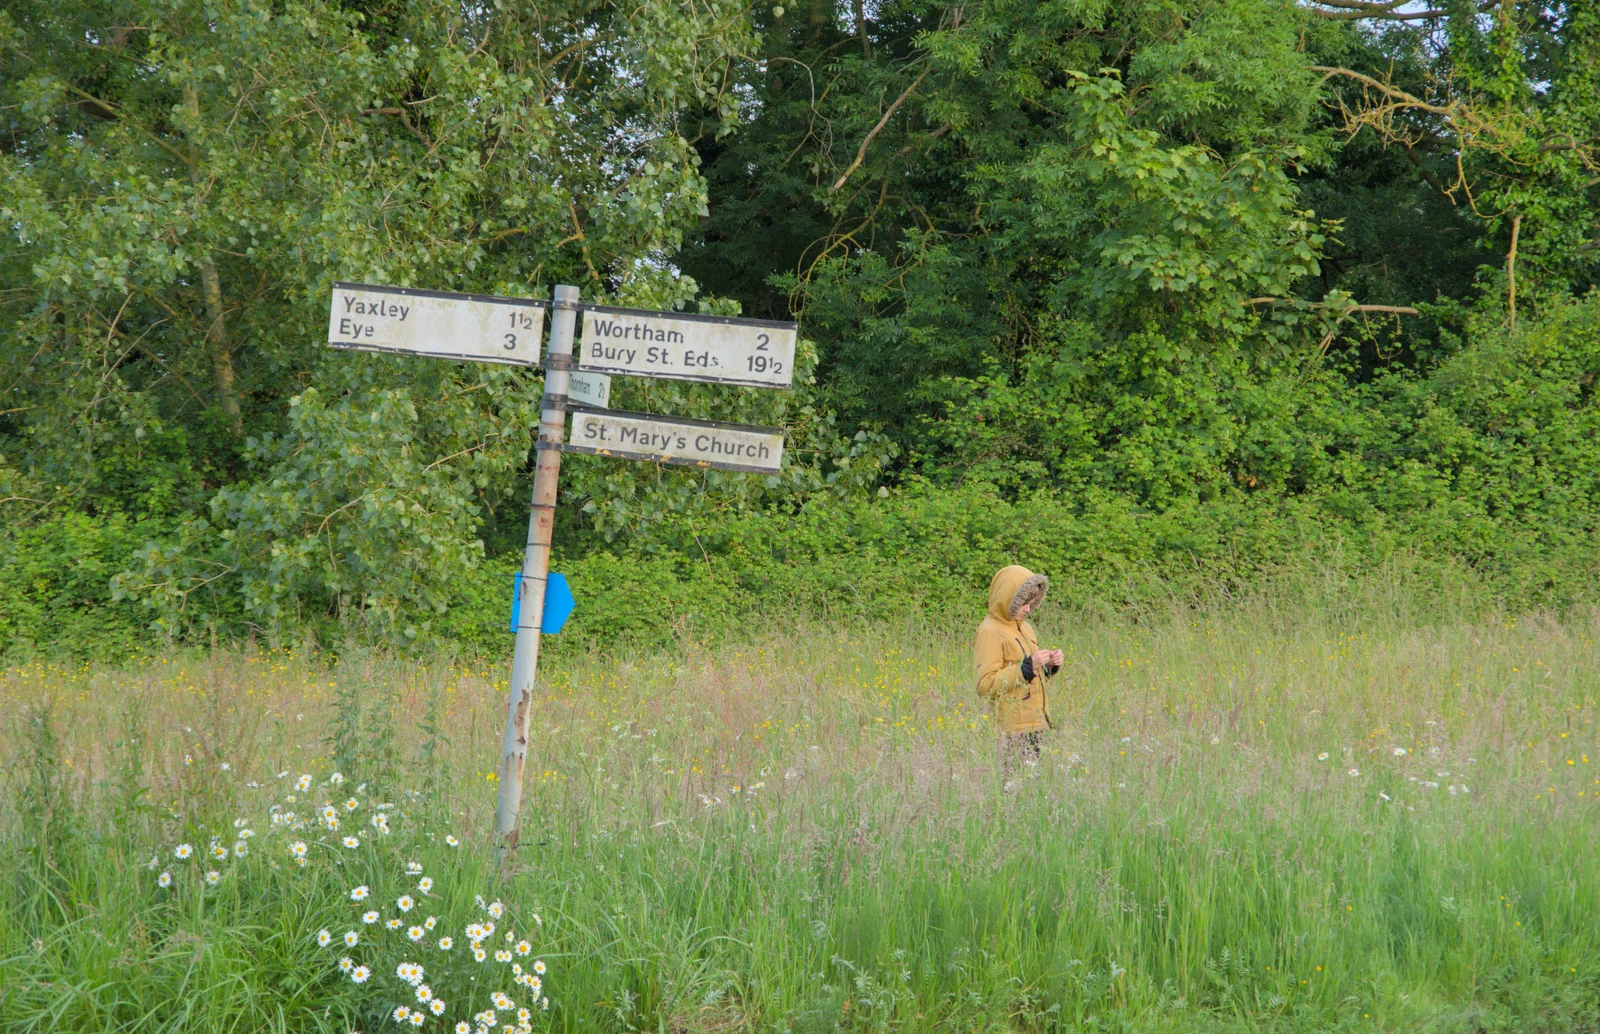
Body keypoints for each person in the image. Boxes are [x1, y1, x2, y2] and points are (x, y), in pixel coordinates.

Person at [973, 565, 1064, 768]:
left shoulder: (1025, 627)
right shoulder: (989, 632)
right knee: (1014, 790)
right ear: (1008, 599)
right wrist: (1026, 667)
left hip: (1038, 724)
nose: (1028, 609)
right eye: (1024, 603)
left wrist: (1049, 666)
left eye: (1032, 603)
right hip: (1012, 730)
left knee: (1036, 792)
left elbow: (1029, 677)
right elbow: (985, 684)